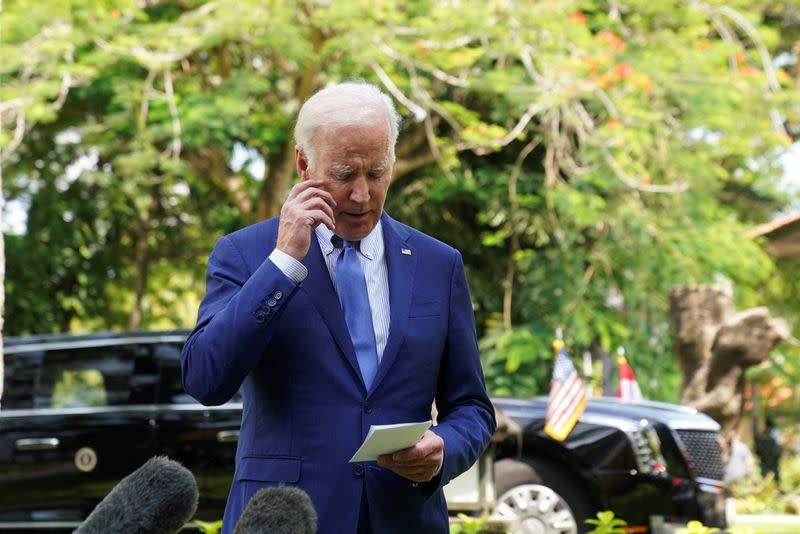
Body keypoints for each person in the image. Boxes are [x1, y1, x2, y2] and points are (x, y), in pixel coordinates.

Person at [181, 81, 496, 534]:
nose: (362, 195)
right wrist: (284, 262)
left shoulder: (438, 264)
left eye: (378, 173)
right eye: (345, 174)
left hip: (405, 519)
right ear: (303, 164)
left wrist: (445, 447)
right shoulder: (246, 254)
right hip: (287, 520)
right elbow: (205, 379)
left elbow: (471, 406)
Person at [754, 416, 782, 483]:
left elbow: (757, 451)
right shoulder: (770, 439)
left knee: (765, 479)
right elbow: (777, 452)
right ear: (770, 427)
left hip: (764, 464)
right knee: (774, 479)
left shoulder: (760, 437)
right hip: (770, 464)